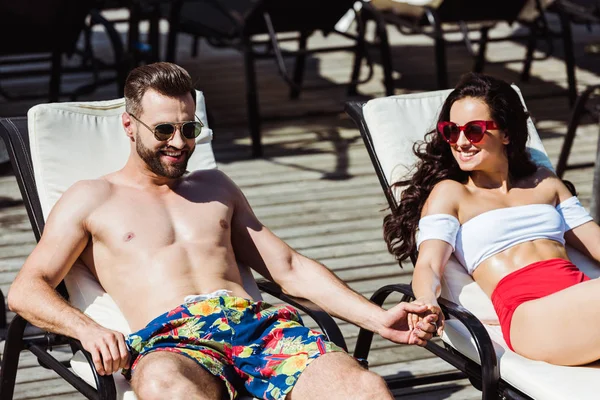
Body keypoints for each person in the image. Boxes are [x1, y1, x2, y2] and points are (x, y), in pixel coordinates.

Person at [7, 62, 438, 400]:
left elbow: (288, 267)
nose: (179, 142)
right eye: (163, 130)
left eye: (189, 128)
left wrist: (379, 319)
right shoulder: (91, 197)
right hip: (173, 341)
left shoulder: (215, 188)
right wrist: (88, 330)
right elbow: (27, 289)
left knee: (366, 391)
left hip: (260, 329)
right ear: (128, 125)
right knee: (162, 386)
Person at [383, 71, 600, 367]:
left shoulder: (545, 183)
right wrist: (426, 303)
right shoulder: (451, 194)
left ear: (507, 133)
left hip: (581, 300)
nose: (460, 142)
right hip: (531, 318)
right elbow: (429, 265)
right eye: (451, 131)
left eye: (474, 130)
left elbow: (595, 243)